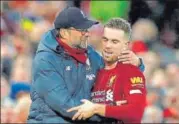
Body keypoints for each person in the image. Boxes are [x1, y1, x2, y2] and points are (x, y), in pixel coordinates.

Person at [27, 7, 144, 123]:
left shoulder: (89, 54)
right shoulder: (45, 60)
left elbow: (114, 71)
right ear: (64, 33)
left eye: (87, 29)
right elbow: (68, 107)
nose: (87, 34)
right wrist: (106, 111)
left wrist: (136, 64)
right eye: (82, 30)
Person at [67, 18, 147, 123]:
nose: (108, 46)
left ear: (125, 45)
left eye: (114, 41)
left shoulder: (132, 72)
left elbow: (135, 113)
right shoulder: (91, 70)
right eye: (105, 40)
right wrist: (113, 107)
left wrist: (96, 108)